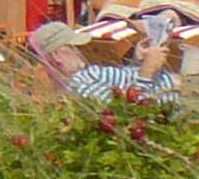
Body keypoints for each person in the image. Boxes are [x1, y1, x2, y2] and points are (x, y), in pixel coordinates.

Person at [28, 12, 186, 107]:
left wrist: (137, 61)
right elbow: (124, 112)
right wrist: (147, 71)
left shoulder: (85, 76)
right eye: (74, 47)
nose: (81, 52)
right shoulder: (79, 85)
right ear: (58, 56)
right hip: (178, 97)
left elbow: (125, 86)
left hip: (177, 87)